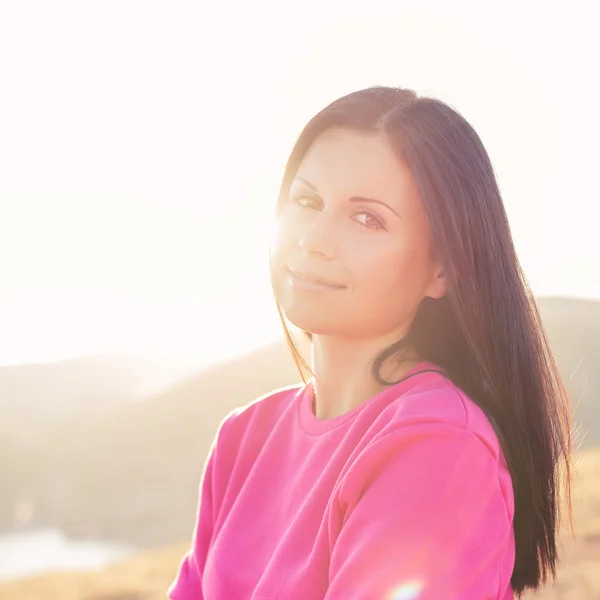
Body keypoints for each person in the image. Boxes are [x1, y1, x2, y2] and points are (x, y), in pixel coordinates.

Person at [168, 87, 572, 599]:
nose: (313, 238)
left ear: (443, 267)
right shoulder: (243, 439)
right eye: (307, 200)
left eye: (367, 218)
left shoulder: (438, 443)